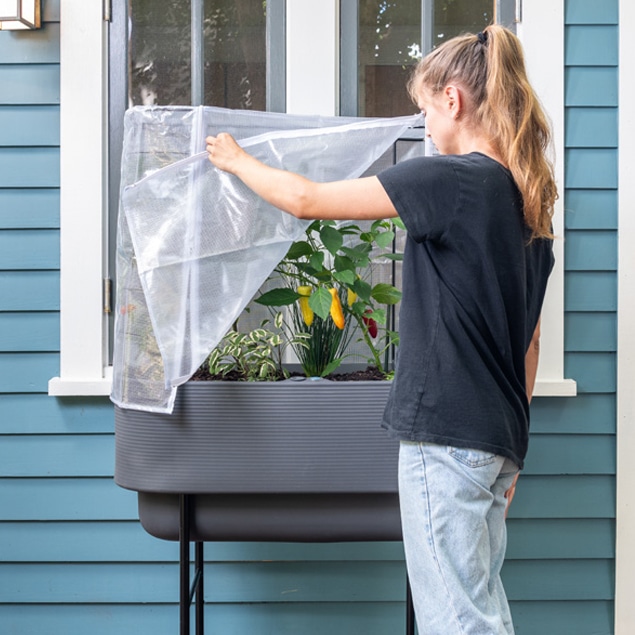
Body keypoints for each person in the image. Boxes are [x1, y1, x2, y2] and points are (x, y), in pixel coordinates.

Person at [206, 24, 555, 635]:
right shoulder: (528, 204)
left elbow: (309, 200)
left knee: (457, 620)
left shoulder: (450, 178)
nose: (422, 126)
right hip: (496, 440)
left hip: (446, 436)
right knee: (481, 608)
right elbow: (529, 342)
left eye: (424, 110)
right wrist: (514, 451)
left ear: (453, 100)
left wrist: (236, 160)